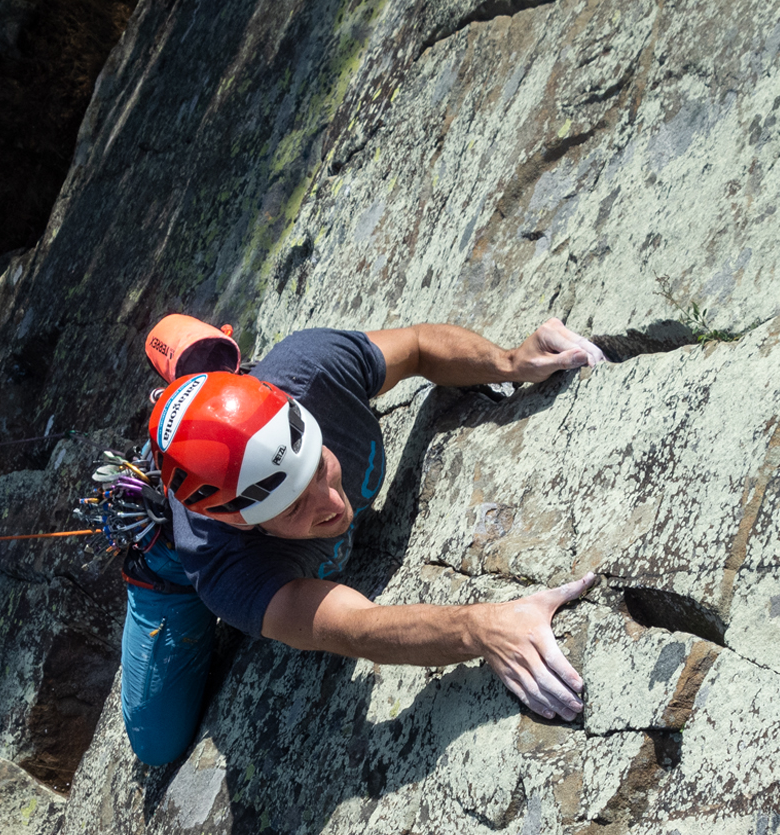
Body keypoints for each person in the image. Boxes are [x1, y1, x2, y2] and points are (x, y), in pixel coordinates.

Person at [119, 314, 608, 764]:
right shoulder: (224, 565)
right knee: (156, 745)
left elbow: (417, 346)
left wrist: (507, 363)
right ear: (244, 524)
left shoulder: (311, 369)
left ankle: (195, 380)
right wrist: (482, 628)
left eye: (319, 468)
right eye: (292, 507)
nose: (332, 504)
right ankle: (157, 540)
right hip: (171, 567)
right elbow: (356, 626)